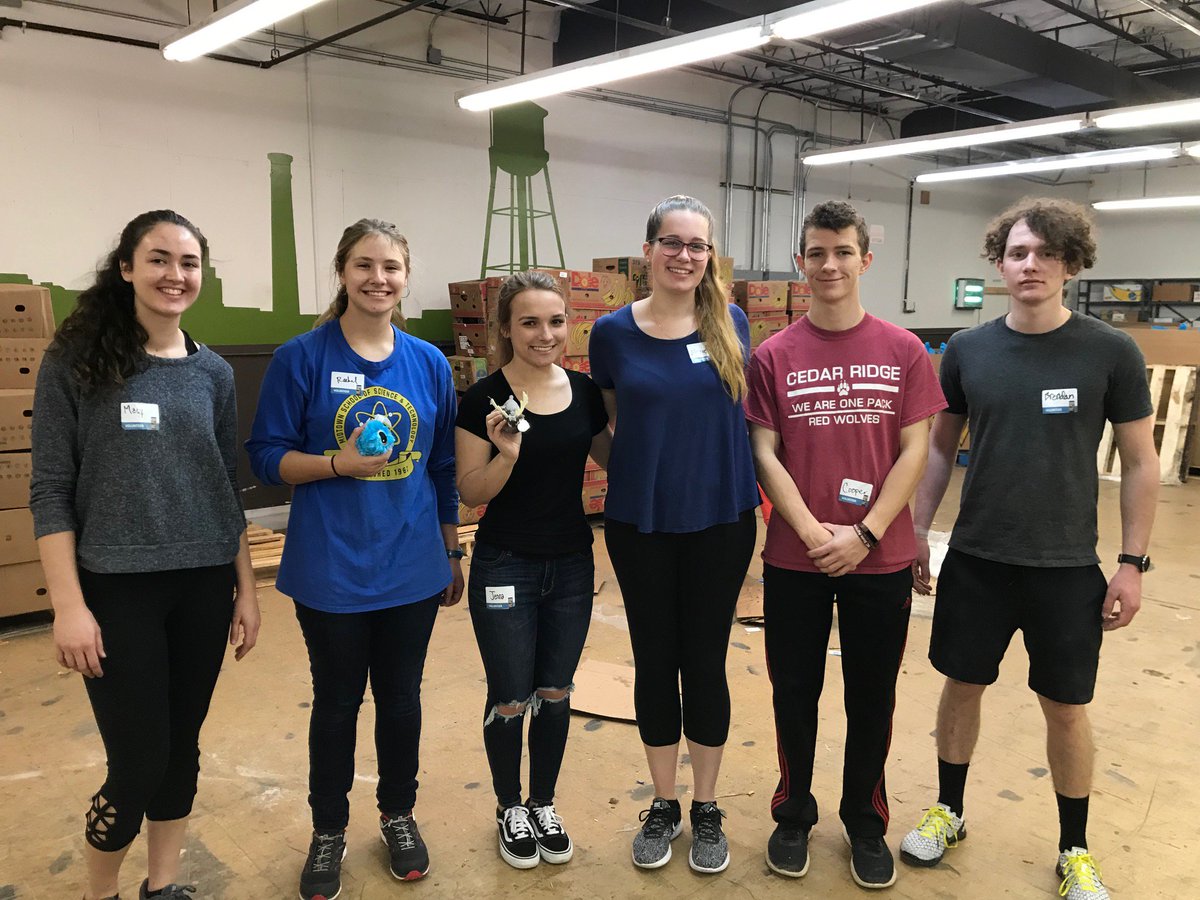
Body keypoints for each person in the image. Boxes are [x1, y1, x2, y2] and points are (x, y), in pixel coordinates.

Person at [898, 198, 1158, 900]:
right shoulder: (969, 349)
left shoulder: (1111, 351)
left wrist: (1131, 564)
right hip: (979, 560)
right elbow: (938, 447)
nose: (1031, 264)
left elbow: (1140, 462)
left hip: (1067, 567)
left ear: (1072, 263)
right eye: (1018, 253)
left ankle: (1075, 849)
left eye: (1046, 252)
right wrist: (917, 532)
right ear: (999, 263)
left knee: (1065, 706)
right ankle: (950, 811)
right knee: (962, 686)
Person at [31, 210, 260, 900]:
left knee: (181, 748)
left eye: (188, 263)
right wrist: (68, 607)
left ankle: (162, 886)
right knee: (137, 760)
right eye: (159, 259)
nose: (175, 275)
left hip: (202, 583)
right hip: (116, 588)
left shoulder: (212, 372)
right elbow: (49, 490)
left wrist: (246, 589)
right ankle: (99, 891)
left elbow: (227, 485)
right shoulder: (75, 362)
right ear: (127, 268)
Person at [246, 219, 463, 900]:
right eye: (365, 265)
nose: (379, 278)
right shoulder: (300, 358)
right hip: (331, 570)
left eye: (392, 267)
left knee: (401, 702)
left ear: (406, 276)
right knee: (337, 705)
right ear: (342, 272)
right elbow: (264, 456)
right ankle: (328, 831)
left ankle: (398, 815)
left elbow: (445, 466)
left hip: (412, 568)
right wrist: (338, 462)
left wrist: (451, 547)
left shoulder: (428, 363)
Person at [744, 200, 945, 890]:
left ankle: (865, 820)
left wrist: (863, 534)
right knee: (793, 692)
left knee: (872, 695)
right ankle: (793, 813)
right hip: (796, 559)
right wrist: (809, 531)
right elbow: (764, 452)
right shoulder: (774, 355)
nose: (830, 264)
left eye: (843, 251)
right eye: (817, 253)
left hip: (878, 559)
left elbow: (916, 449)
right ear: (802, 264)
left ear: (866, 259)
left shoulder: (904, 350)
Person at [588, 194, 759, 874]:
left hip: (721, 521)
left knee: (705, 661)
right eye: (673, 243)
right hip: (641, 526)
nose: (685, 255)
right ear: (648, 253)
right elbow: (607, 425)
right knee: (656, 660)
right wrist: (637, 475)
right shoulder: (611, 333)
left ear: (709, 256)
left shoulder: (733, 322)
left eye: (697, 245)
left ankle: (707, 806)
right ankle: (663, 804)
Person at [455, 271, 611, 870]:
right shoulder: (485, 398)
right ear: (505, 329)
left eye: (555, 321)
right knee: (511, 694)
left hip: (572, 563)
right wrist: (508, 456)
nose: (545, 335)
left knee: (555, 689)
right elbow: (472, 493)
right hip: (505, 564)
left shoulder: (585, 390)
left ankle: (543, 803)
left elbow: (614, 459)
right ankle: (509, 806)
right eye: (529, 323)